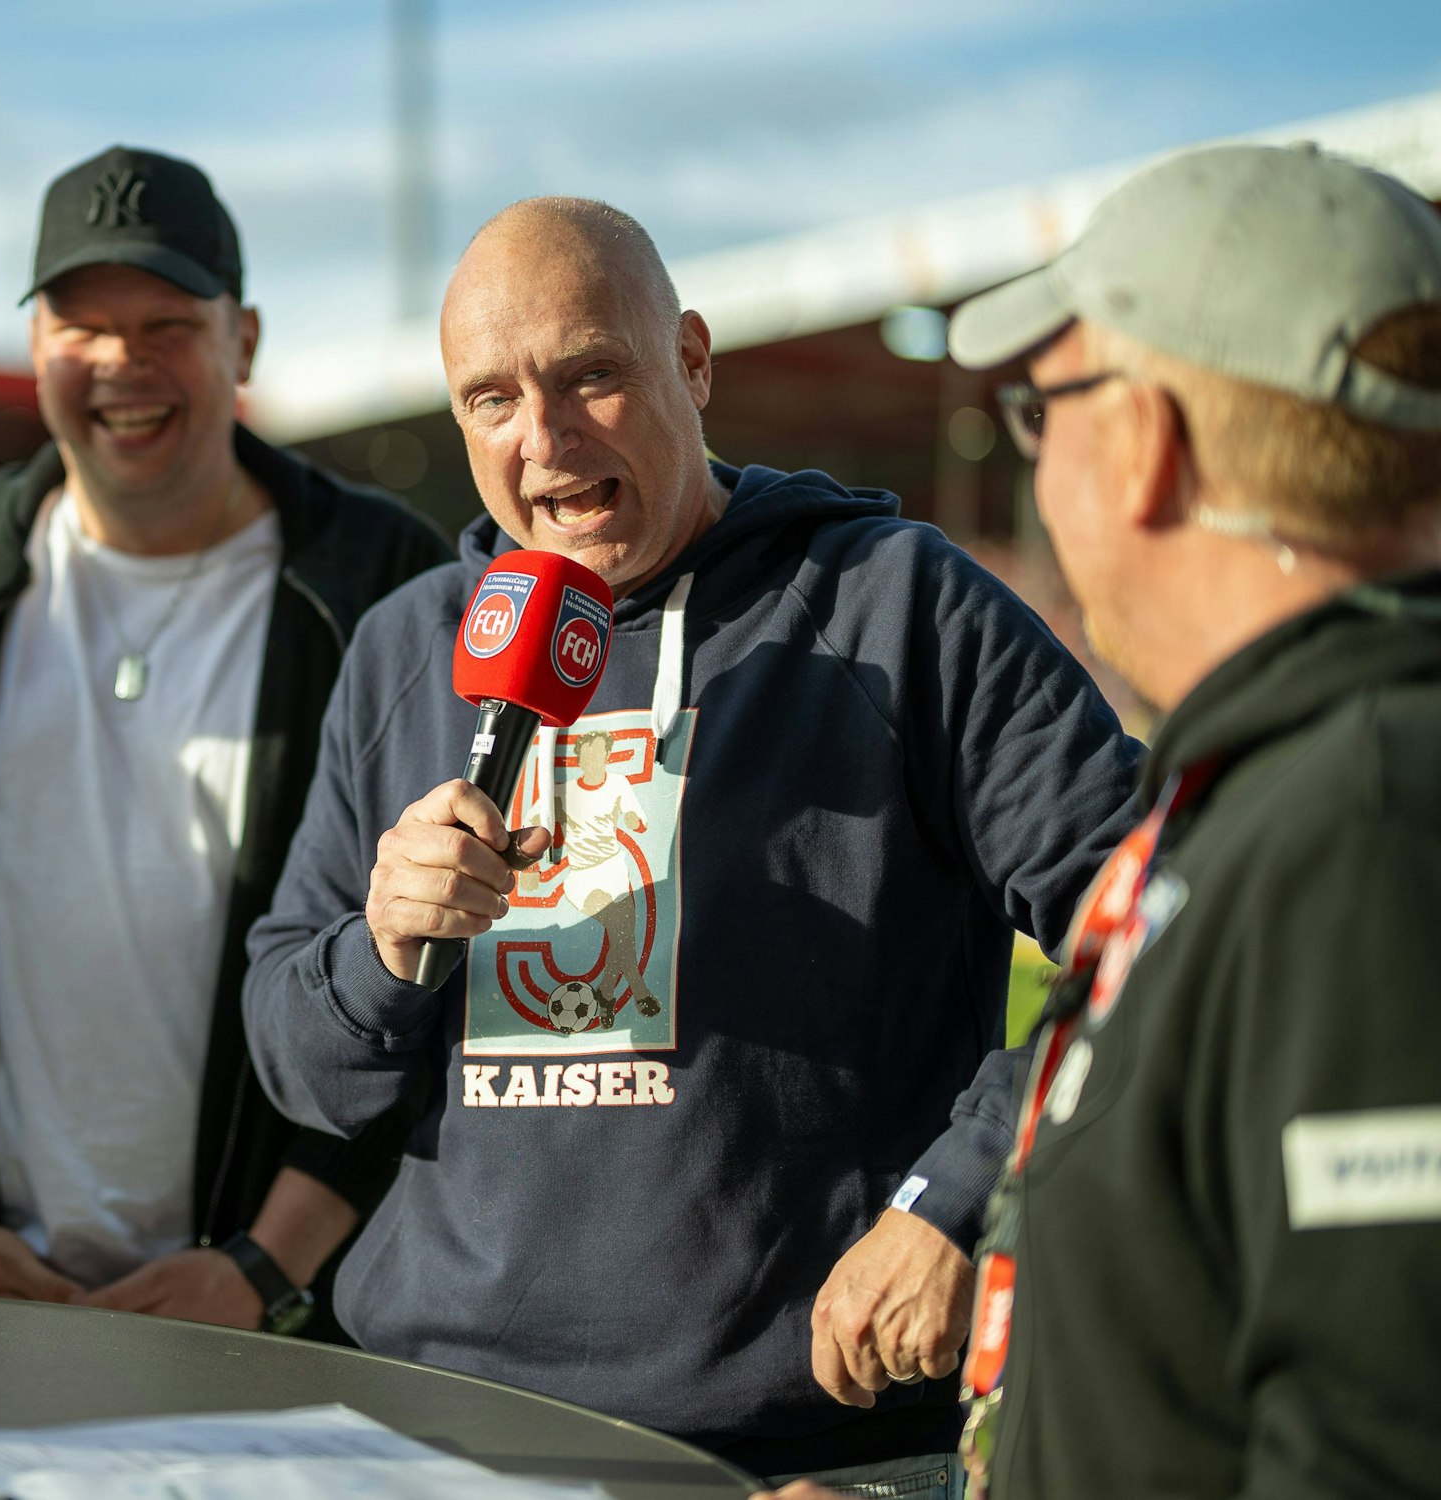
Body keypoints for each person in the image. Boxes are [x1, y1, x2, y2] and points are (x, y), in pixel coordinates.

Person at [242, 196, 1142, 1492]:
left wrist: (962, 1194)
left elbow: (1160, 917)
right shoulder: (405, 648)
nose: (543, 438)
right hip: (438, 1436)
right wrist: (378, 952)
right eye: (491, 399)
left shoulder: (894, 604)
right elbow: (300, 1063)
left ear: (694, 362)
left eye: (588, 375)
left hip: (796, 1459)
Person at [0, 146, 449, 1334]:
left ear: (243, 341)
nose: (122, 362)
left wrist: (264, 1267)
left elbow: (435, 957)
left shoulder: (381, 579)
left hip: (275, 1311)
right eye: (80, 326)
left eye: (166, 324)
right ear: (35, 348)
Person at [929, 141, 1441, 1499]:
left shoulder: (1369, 820)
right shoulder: (1293, 778)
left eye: (1040, 413)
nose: (1038, 463)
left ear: (1141, 443)